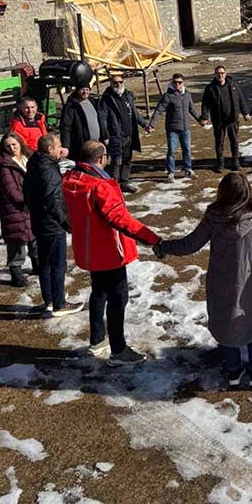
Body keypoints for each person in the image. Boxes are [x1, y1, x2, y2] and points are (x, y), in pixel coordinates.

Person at [154, 173, 252, 388]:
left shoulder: (213, 218)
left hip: (222, 282)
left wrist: (164, 246)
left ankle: (234, 370)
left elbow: (190, 244)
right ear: (247, 192)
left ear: (222, 193)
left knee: (227, 321)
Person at [63, 141, 161, 365]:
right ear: (101, 159)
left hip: (89, 249)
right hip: (109, 252)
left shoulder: (72, 180)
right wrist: (153, 239)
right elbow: (120, 219)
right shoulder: (99, 186)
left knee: (99, 293)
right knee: (118, 298)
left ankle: (97, 340)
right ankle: (118, 350)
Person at [24, 133, 80, 317]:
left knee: (45, 263)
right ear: (49, 149)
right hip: (51, 224)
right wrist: (66, 222)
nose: (60, 148)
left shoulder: (35, 163)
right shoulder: (48, 170)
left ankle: (49, 299)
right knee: (57, 264)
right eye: (58, 146)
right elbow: (53, 199)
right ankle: (59, 304)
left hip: (39, 221)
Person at [0, 132, 39, 288]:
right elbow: (10, 189)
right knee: (17, 240)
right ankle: (16, 273)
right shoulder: (4, 165)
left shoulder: (28, 157)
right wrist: (25, 201)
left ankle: (38, 265)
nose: (12, 148)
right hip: (15, 208)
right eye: (8, 146)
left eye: (14, 144)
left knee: (34, 236)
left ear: (20, 143)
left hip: (31, 204)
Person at [98, 73, 151, 193]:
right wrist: (105, 135)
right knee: (116, 162)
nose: (118, 84)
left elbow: (135, 113)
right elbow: (102, 119)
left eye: (120, 82)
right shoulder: (106, 98)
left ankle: (124, 182)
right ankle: (114, 186)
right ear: (111, 84)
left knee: (127, 160)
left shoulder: (128, 96)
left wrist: (144, 124)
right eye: (115, 83)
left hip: (129, 134)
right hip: (116, 135)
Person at [149, 72, 202, 183]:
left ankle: (188, 169)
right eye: (175, 82)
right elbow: (159, 110)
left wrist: (200, 120)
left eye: (179, 82)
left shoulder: (187, 94)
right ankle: (171, 173)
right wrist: (152, 124)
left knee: (187, 150)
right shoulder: (168, 96)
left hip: (185, 128)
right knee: (171, 151)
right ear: (172, 83)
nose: (177, 84)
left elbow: (192, 109)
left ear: (183, 83)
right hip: (172, 129)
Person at [200, 65, 251, 173]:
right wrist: (204, 117)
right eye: (218, 73)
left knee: (234, 141)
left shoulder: (233, 85)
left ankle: (235, 162)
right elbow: (205, 104)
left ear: (225, 74)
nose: (220, 75)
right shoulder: (210, 88)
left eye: (222, 73)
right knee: (219, 142)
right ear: (215, 75)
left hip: (232, 118)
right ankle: (220, 163)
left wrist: (245, 113)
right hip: (218, 120)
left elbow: (240, 99)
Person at [60, 84, 108, 163]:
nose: (85, 92)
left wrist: (105, 136)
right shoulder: (71, 106)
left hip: (97, 144)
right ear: (77, 90)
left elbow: (100, 121)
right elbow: (66, 127)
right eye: (82, 89)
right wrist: (66, 146)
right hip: (82, 147)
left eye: (87, 89)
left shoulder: (92, 102)